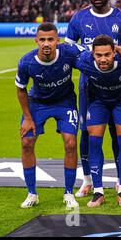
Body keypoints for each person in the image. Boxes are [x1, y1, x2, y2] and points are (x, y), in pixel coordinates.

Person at [64, 0, 121, 198]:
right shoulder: (78, 18)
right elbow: (69, 50)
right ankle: (87, 181)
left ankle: (120, 182)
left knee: (119, 134)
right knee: (86, 134)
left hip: (117, 85)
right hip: (89, 86)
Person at [16, 22, 84, 209]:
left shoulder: (69, 51)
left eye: (50, 40)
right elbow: (21, 89)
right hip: (37, 103)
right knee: (26, 142)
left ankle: (69, 193)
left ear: (57, 40)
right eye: (42, 40)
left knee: (70, 143)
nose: (46, 44)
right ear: (36, 41)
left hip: (65, 102)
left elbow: (91, 49)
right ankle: (32, 193)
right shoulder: (26, 62)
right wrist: (28, 118)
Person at [74, 35, 121, 208]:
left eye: (107, 54)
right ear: (92, 54)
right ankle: (98, 191)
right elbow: (67, 50)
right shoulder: (84, 61)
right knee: (94, 142)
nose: (103, 59)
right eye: (98, 55)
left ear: (114, 53)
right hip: (98, 102)